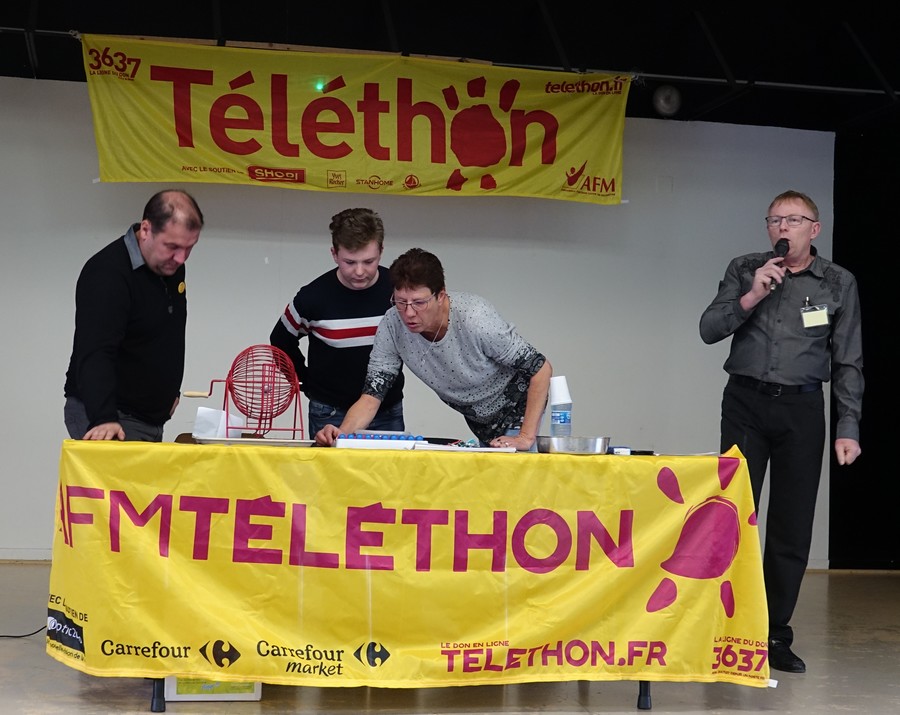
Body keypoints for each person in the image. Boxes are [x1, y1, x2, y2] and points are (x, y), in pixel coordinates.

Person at [699, 190, 863, 674]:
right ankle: (725, 627)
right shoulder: (745, 268)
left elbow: (848, 360)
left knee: (791, 525)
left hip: (801, 409)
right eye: (775, 220)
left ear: (814, 229)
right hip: (745, 404)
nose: (782, 228)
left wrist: (848, 426)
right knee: (733, 516)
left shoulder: (838, 282)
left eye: (793, 220)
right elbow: (708, 329)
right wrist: (752, 295)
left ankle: (774, 634)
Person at [315, 247, 552, 450]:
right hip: (479, 420)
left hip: (517, 409)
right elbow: (371, 396)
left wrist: (525, 437)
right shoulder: (392, 325)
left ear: (440, 295)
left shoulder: (475, 318)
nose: (408, 313)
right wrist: (341, 435)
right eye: (400, 302)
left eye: (419, 303)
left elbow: (541, 369)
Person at [64, 189, 204, 442]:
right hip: (111, 417)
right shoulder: (108, 274)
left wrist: (170, 392)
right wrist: (103, 417)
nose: (181, 258)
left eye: (189, 248)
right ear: (146, 229)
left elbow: (165, 331)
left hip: (147, 418)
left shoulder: (170, 267)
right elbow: (95, 350)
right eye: (172, 246)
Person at [270, 208, 405, 435]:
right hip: (330, 412)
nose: (359, 271)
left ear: (381, 252)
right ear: (334, 254)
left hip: (387, 410)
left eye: (369, 261)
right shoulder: (313, 297)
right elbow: (280, 340)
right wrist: (304, 382)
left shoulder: (398, 291)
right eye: (349, 262)